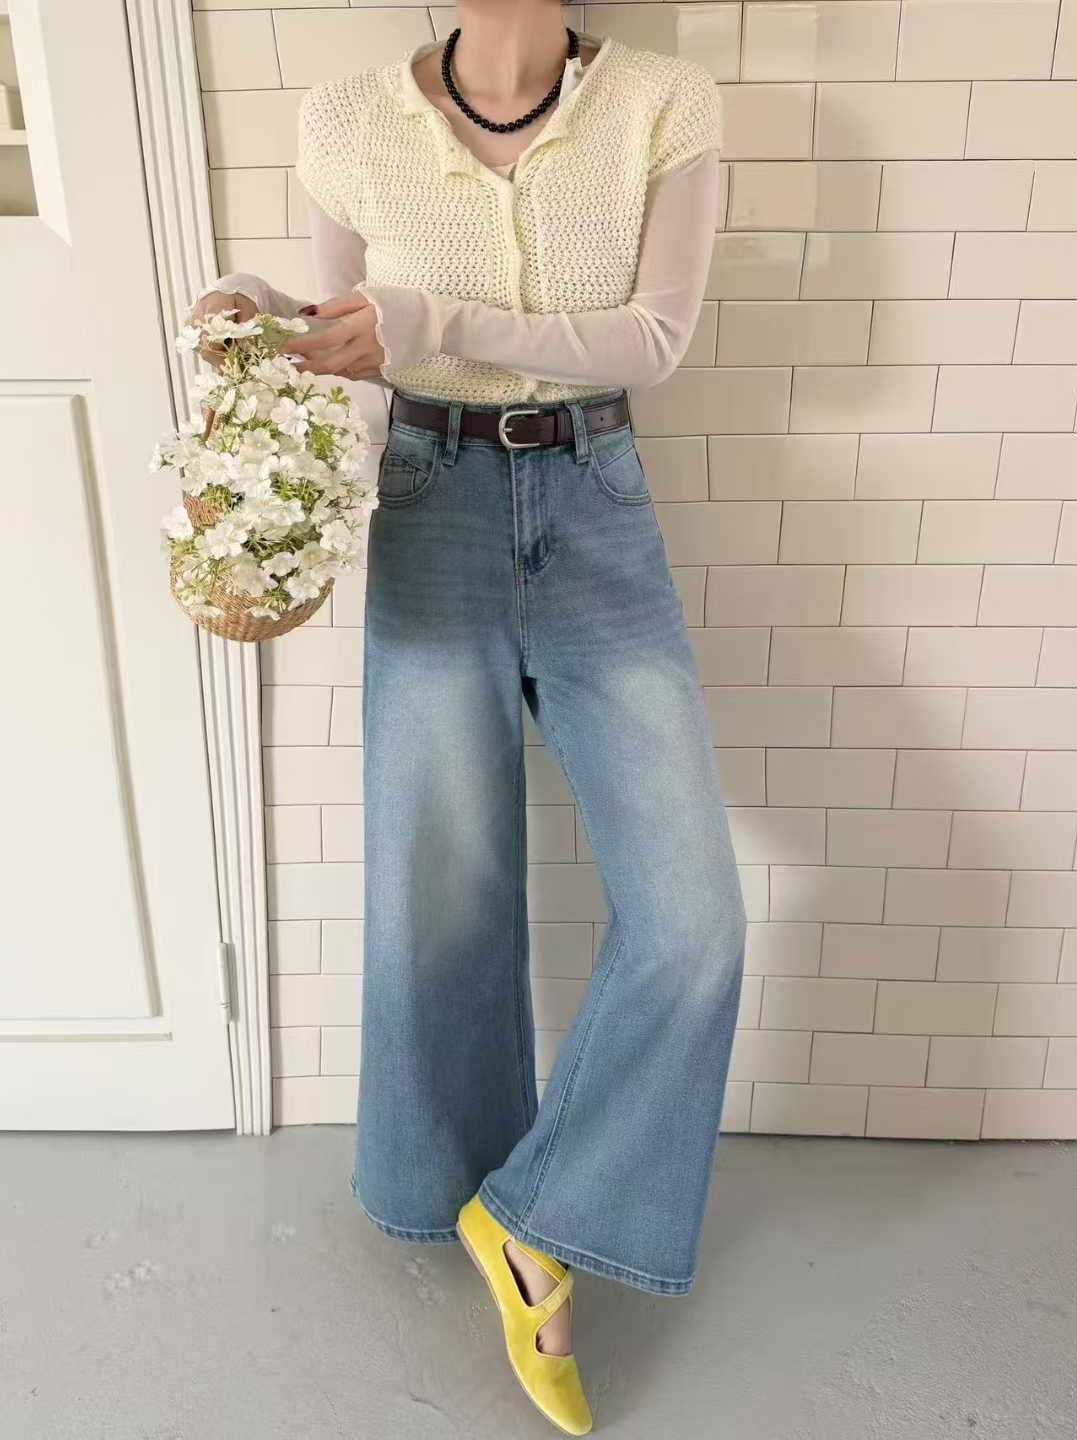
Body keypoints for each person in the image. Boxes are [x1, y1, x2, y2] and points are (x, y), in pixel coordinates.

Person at [191, 2, 746, 1432]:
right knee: (440, 887)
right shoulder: (343, 117)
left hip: (597, 501)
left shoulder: (664, 102)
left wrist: (430, 319)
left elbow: (655, 336)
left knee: (693, 916)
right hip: (428, 504)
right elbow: (343, 342)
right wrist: (254, 309)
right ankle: (447, 1194)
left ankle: (533, 1212)